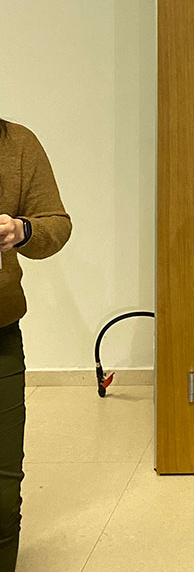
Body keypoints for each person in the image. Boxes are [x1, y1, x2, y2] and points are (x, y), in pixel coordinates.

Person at [0, 119, 72, 569]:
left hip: (0, 333)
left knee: (3, 487)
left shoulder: (17, 143)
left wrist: (21, 230)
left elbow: (56, 225)